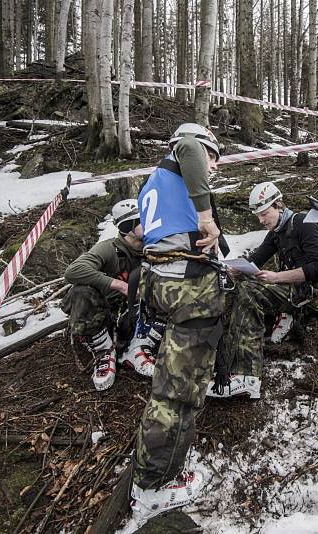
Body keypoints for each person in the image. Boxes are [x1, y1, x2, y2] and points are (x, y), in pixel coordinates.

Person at [129, 123, 227, 522]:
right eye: (214, 157)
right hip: (188, 289)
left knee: (173, 381)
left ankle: (157, 466)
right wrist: (206, 219)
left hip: (165, 284)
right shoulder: (183, 158)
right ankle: (156, 482)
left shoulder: (153, 183)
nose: (215, 167)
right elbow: (187, 144)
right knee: (178, 393)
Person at [206, 181, 318, 399]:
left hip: (312, 293)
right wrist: (237, 269)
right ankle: (228, 366)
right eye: (258, 216)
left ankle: (248, 378)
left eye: (264, 213)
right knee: (242, 288)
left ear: (279, 206)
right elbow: (256, 260)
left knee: (250, 294)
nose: (261, 220)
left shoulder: (303, 222)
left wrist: (277, 277)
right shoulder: (277, 232)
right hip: (292, 289)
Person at [62, 199, 145, 391]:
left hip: (139, 313)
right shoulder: (109, 249)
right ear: (128, 227)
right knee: (81, 291)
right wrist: (120, 285)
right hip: (107, 314)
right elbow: (73, 271)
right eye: (143, 220)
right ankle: (103, 350)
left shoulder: (154, 245)